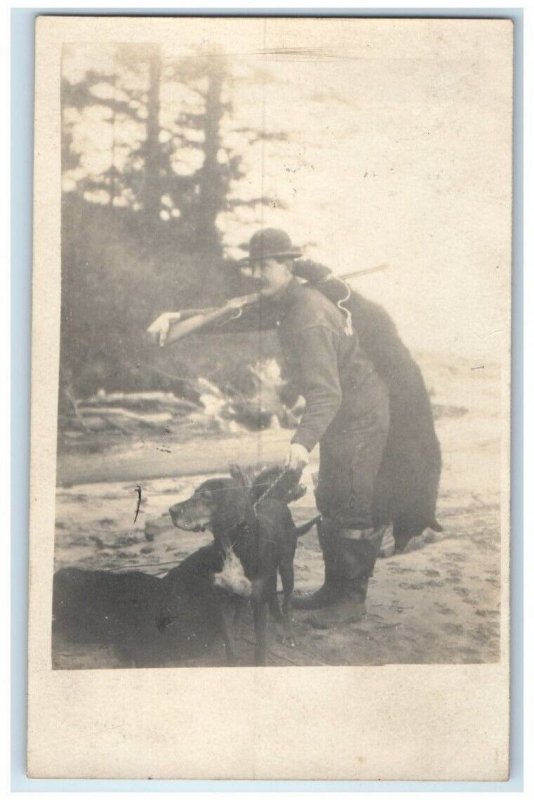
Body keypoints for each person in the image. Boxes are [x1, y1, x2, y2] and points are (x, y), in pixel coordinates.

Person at [149, 228, 391, 626]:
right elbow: (233, 317)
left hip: (358, 417)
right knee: (331, 496)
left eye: (266, 264)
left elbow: (326, 394)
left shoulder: (308, 315)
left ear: (289, 265)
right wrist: (178, 317)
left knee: (352, 504)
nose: (257, 273)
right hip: (339, 416)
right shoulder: (285, 300)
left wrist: (301, 443)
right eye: (253, 265)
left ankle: (350, 600)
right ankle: (333, 591)